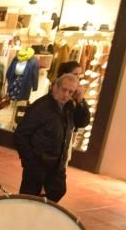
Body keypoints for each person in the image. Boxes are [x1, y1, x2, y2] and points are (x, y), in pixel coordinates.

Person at [13, 72, 89, 202]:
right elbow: (20, 134)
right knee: (28, 199)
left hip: (57, 163)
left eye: (71, 92)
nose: (66, 95)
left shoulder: (69, 107)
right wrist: (29, 160)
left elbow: (82, 122)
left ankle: (42, 216)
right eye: (64, 90)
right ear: (55, 87)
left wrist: (81, 101)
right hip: (37, 162)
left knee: (58, 190)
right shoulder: (41, 106)